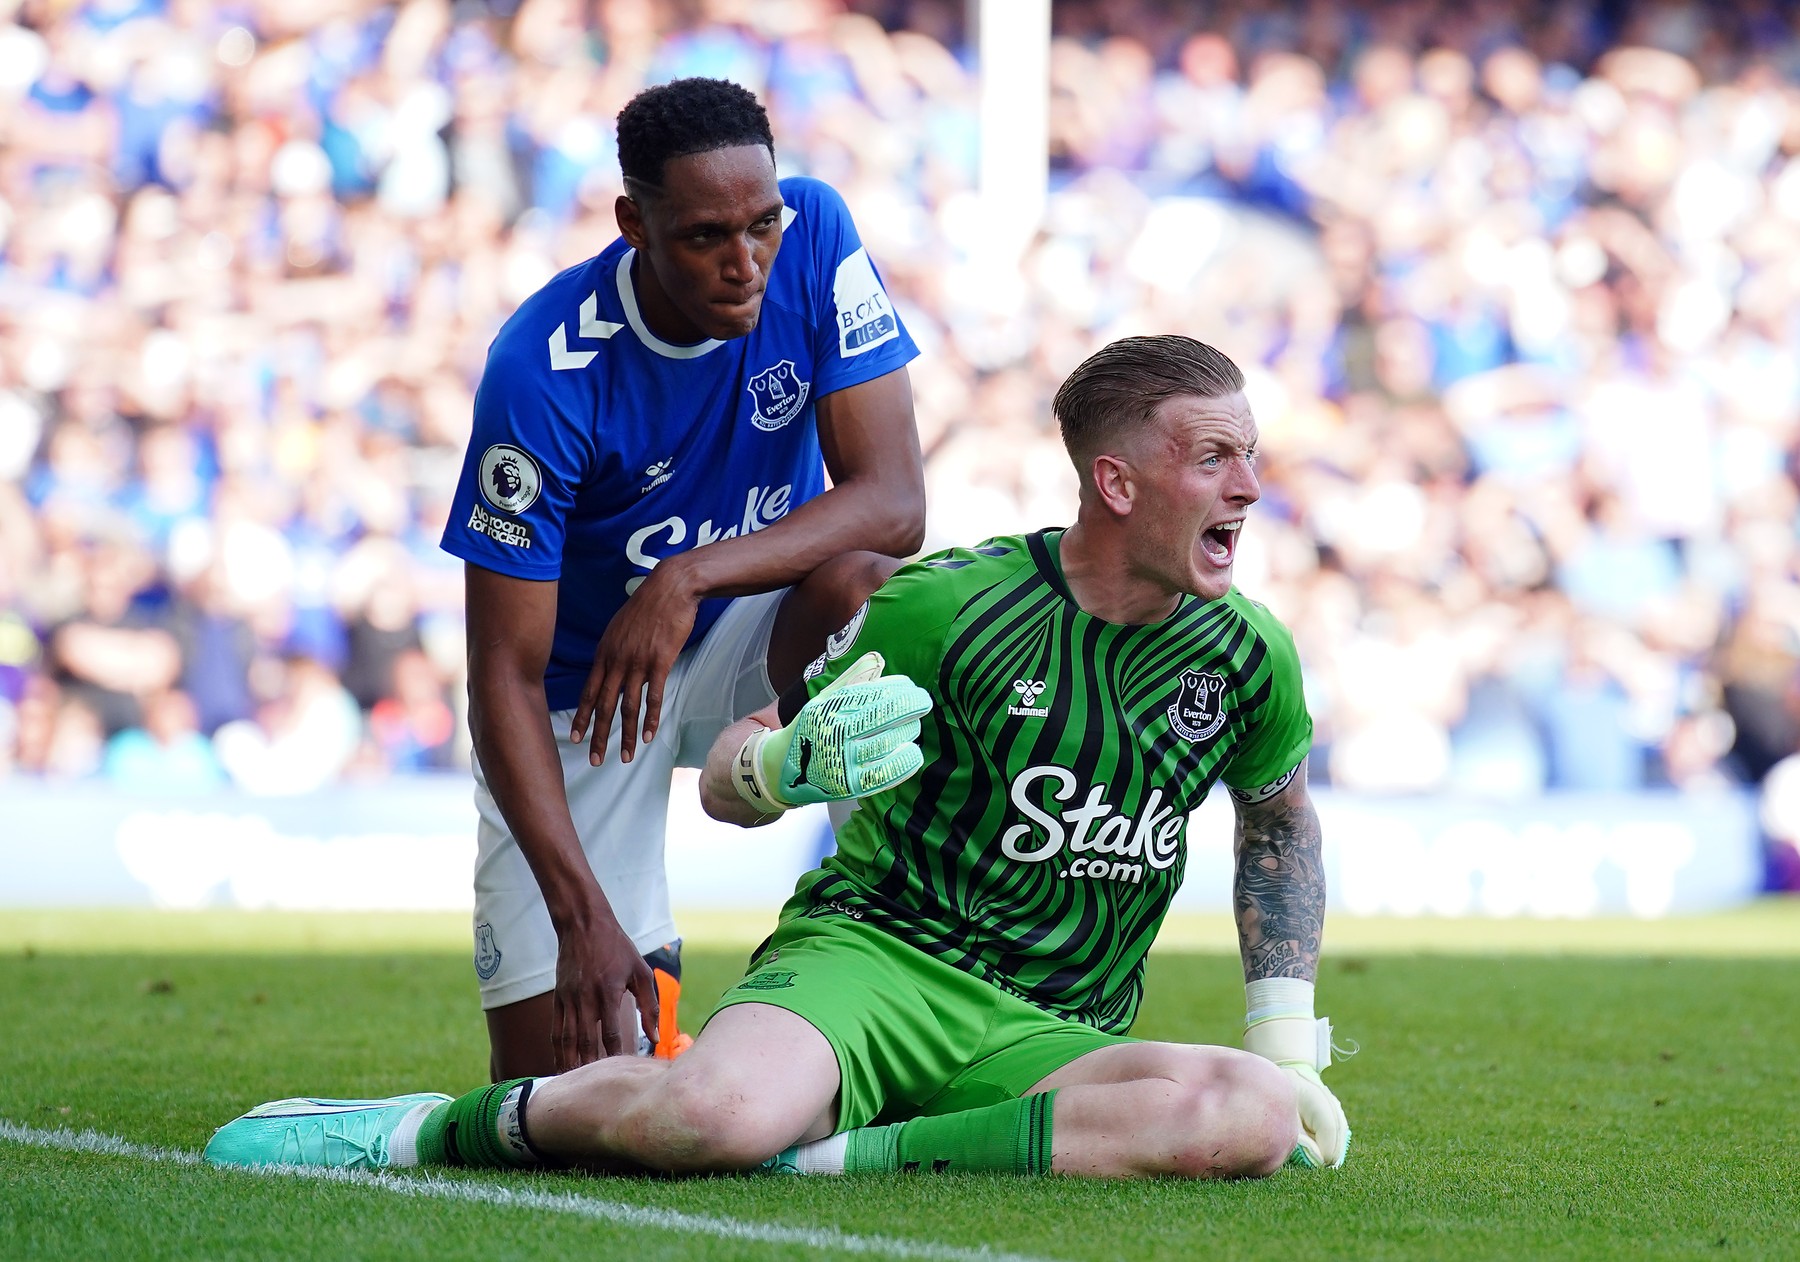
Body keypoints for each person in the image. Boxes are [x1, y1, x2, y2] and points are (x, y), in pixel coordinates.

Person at [205, 336, 1349, 1179]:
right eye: (1216, 459)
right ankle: (416, 1126)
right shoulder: (952, 607)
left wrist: (1287, 1044)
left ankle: (839, 1155)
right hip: (874, 967)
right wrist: (787, 765)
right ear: (1118, 482)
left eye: (1249, 457)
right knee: (708, 1119)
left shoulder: (1248, 656)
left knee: (1247, 1115)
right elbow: (733, 773)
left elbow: (1281, 821)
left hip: (1055, 1024)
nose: (1249, 485)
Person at [438, 77, 925, 1078]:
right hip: (587, 699)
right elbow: (501, 675)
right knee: (565, 1096)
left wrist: (685, 578)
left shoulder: (820, 229)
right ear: (634, 224)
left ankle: (892, 923)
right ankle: (651, 1006)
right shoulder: (542, 371)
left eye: (762, 224)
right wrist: (584, 920)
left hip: (742, 632)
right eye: (707, 236)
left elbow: (894, 503)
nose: (747, 262)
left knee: (870, 592)